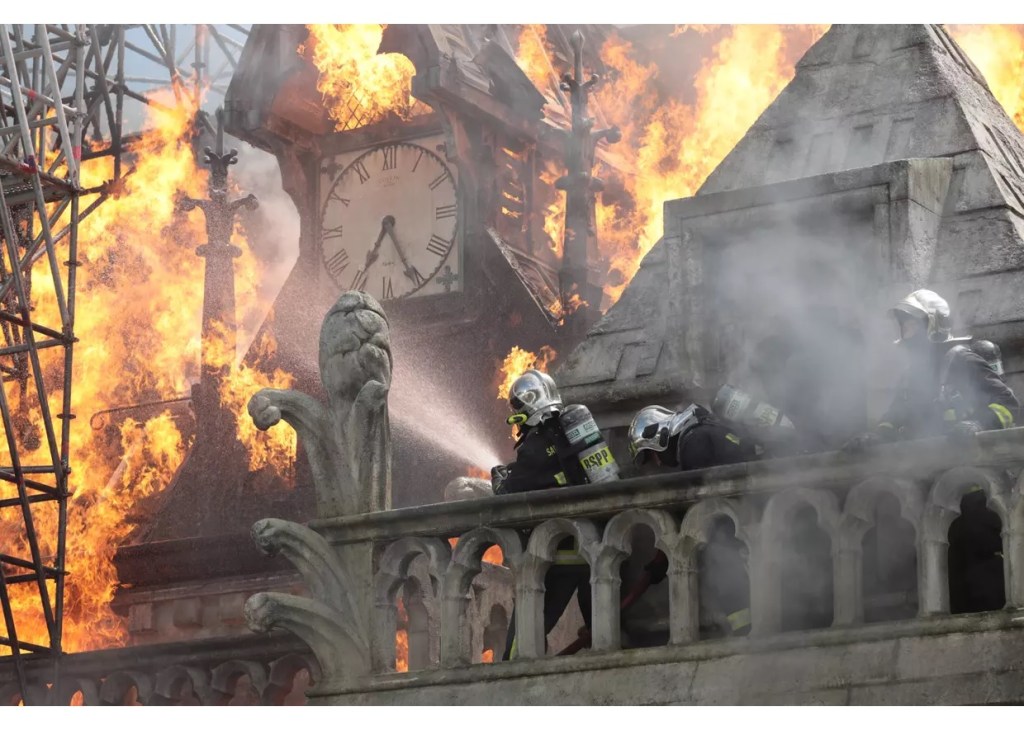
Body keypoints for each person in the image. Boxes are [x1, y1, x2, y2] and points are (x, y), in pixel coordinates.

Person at [492, 369, 618, 659]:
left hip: (558, 560)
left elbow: (509, 496)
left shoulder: (535, 446)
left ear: (529, 404)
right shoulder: (570, 431)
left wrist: (500, 480)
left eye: (518, 409)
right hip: (597, 553)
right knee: (607, 640)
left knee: (519, 648)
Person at [626, 403, 756, 637]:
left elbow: (696, 505)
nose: (658, 462)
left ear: (661, 435)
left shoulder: (693, 442)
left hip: (736, 524)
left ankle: (747, 631)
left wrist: (661, 559)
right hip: (740, 520)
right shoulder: (701, 433)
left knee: (720, 565)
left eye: (653, 454)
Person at [843, 289, 1018, 450]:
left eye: (911, 326)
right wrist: (876, 436)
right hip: (926, 469)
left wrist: (979, 424)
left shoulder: (961, 359)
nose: (905, 333)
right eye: (903, 327)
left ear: (933, 325)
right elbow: (896, 416)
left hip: (969, 471)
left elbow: (1008, 404)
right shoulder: (912, 374)